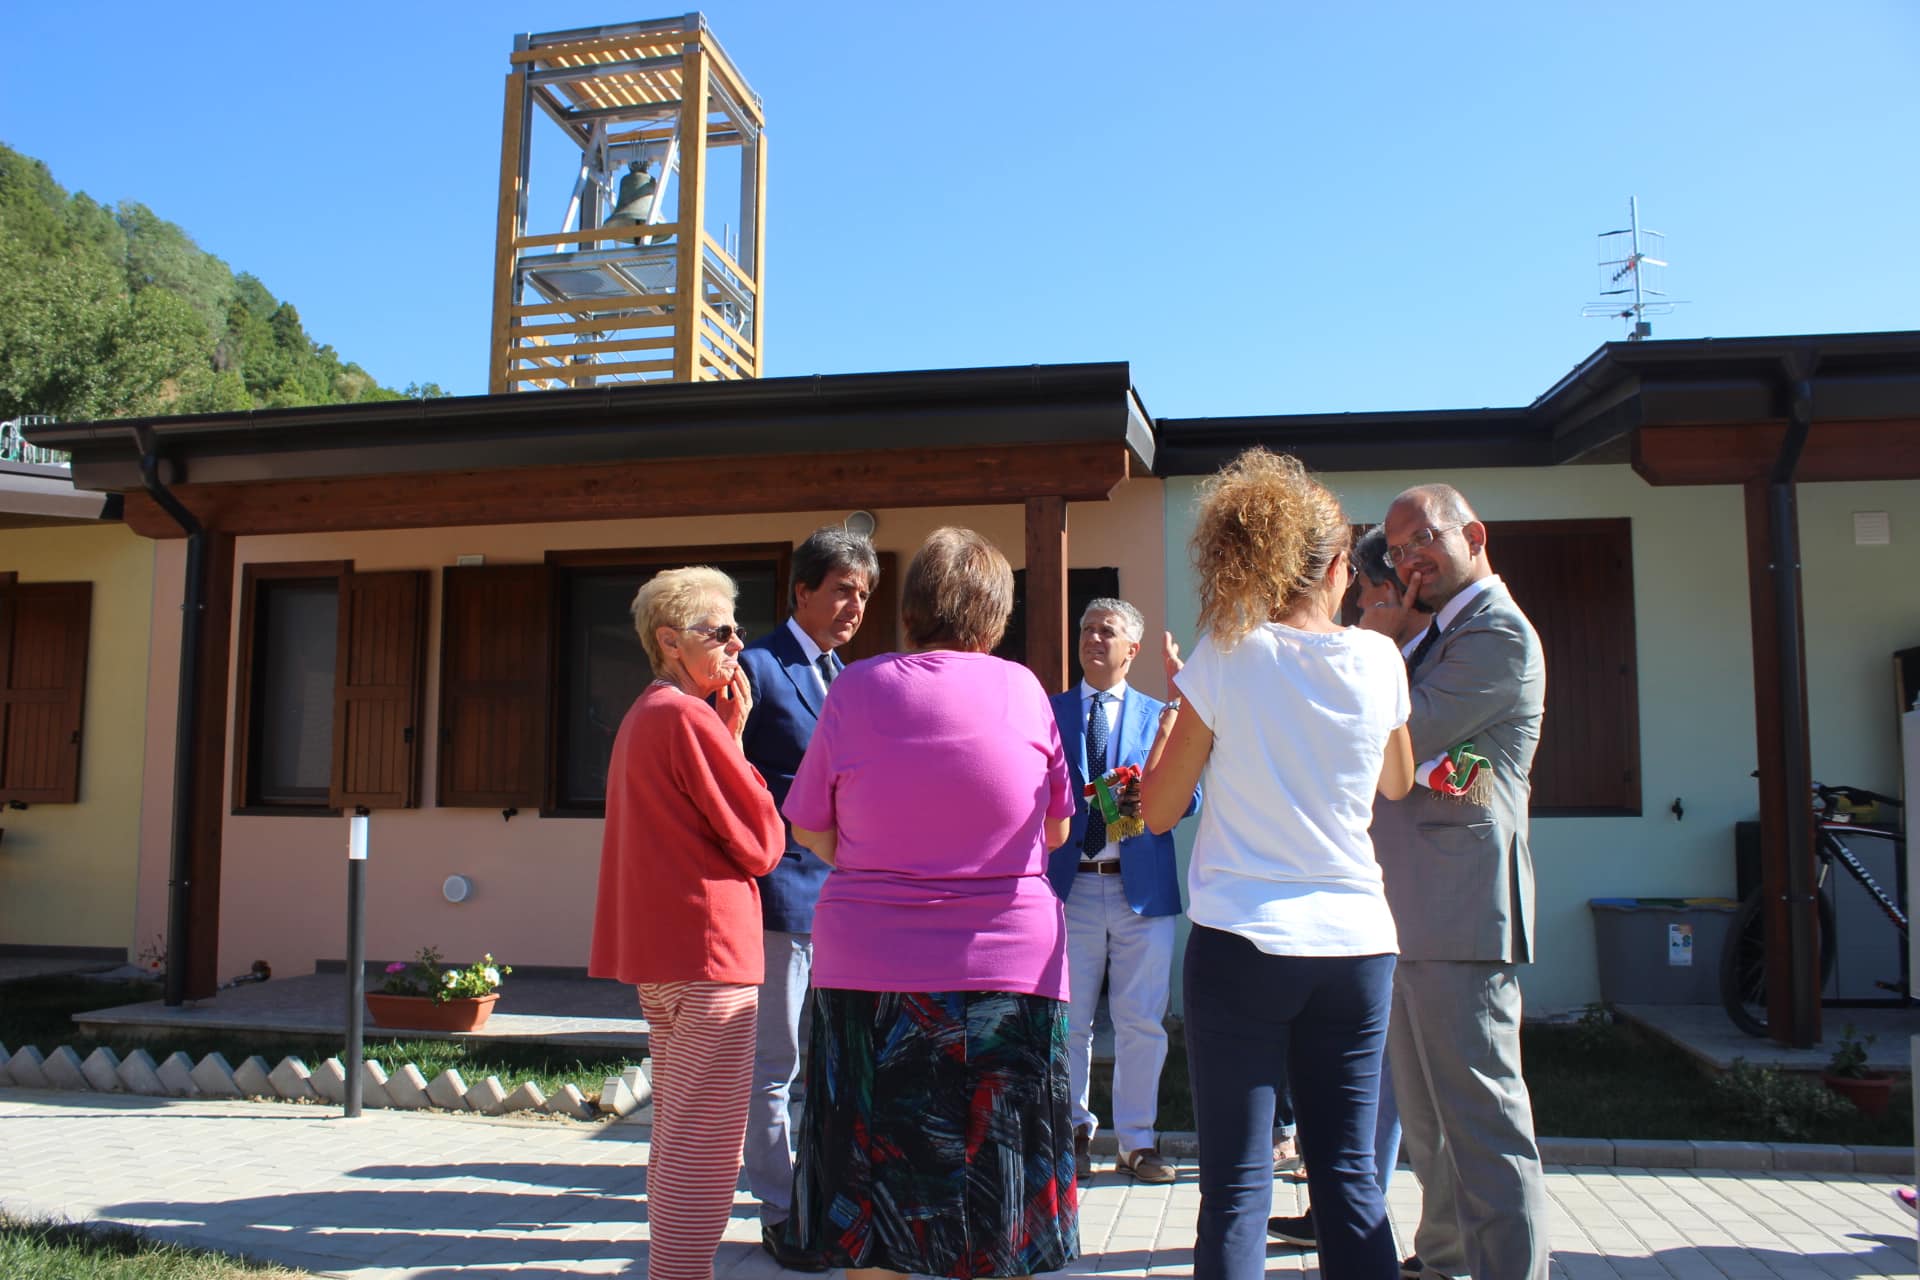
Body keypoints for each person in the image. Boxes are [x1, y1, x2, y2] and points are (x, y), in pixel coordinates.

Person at [1141, 448, 1414, 1280]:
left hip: (1243, 943)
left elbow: (1155, 811)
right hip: (1358, 944)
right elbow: (1398, 783)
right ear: (1339, 567)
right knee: (1348, 1175)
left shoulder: (1226, 654)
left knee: (1236, 1187)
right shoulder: (1380, 659)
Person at [780, 526, 1080, 1279]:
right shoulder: (1023, 688)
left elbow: (809, 825)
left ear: (912, 605)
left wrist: (878, 860)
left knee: (871, 1211)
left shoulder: (857, 687)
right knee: (995, 1217)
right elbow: (1058, 825)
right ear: (995, 613)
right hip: (1007, 974)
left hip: (871, 975)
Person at [1360, 484, 1549, 1280]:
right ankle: (1441, 1259)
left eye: (1423, 539)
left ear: (1473, 533)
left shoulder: (1497, 634)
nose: (1409, 561)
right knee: (1430, 1119)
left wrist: (1382, 637)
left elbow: (1396, 731)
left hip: (1464, 909)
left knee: (1482, 1117)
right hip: (1406, 910)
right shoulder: (1435, 635)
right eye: (1397, 551)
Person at [588, 566, 785, 1280]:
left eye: (737, 630)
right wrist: (732, 739)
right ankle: (681, 1272)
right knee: (704, 1139)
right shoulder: (687, 717)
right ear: (670, 641)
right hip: (711, 956)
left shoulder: (648, 712)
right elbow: (764, 841)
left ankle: (672, 1268)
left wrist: (727, 734)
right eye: (720, 631)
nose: (738, 645)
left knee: (676, 1130)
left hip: (669, 958)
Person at [1267, 524, 1432, 1253]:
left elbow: (1397, 777)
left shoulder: (1377, 653)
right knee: (1349, 1135)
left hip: (1362, 910)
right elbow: (1394, 776)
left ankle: (1352, 1213)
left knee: (1356, 1131)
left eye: (1376, 592)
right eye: (1361, 588)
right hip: (1359, 919)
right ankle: (1336, 1217)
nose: (1365, 603)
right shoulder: (1375, 653)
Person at [736, 526, 877, 1266]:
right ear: (802, 591)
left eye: (864, 593)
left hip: (846, 897)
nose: (855, 604)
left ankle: (821, 1191)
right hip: (782, 892)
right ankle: (780, 1206)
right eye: (843, 589)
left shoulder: (846, 674)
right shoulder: (757, 667)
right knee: (776, 1062)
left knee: (829, 1059)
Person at [1046, 598, 1200, 1185]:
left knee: (1141, 1022)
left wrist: (1151, 798)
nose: (1092, 639)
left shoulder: (1162, 714)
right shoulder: (1051, 711)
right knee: (1070, 1020)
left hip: (1142, 889)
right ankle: (1073, 1134)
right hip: (1071, 887)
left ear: (1132, 649)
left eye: (1106, 632)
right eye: (1086, 629)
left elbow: (1191, 797)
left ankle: (1137, 1142)